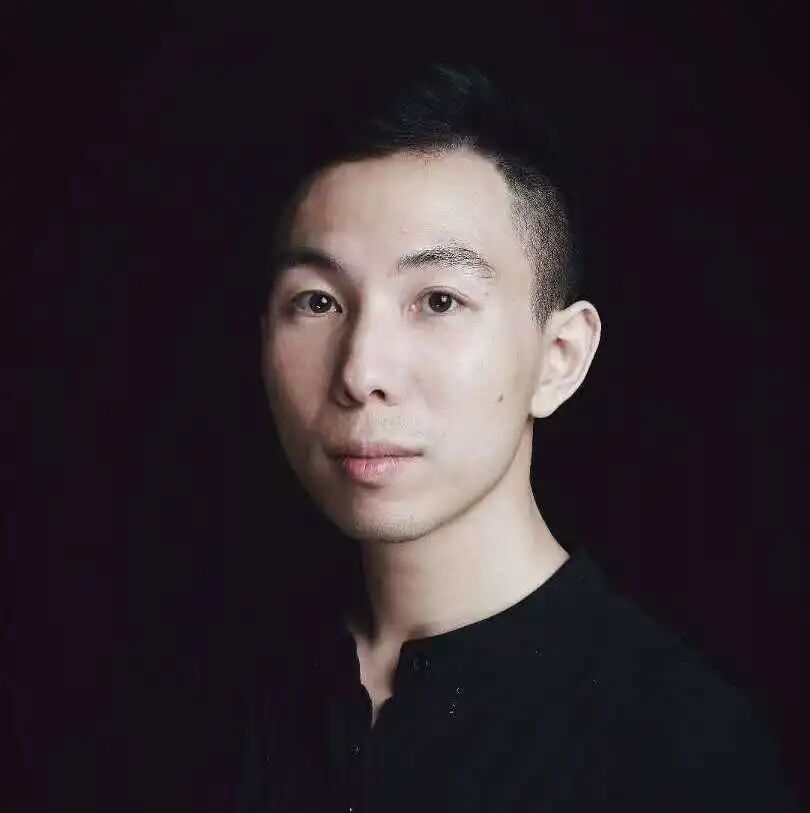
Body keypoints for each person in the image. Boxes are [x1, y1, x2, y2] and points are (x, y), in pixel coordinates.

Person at [235, 65, 797, 811]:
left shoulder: (681, 748)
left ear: (559, 358)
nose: (362, 373)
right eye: (317, 302)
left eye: (439, 300)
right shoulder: (204, 692)